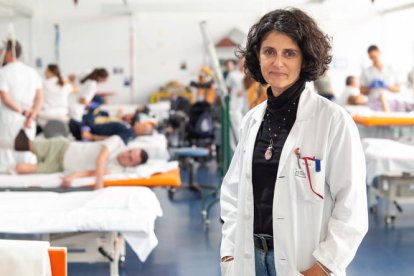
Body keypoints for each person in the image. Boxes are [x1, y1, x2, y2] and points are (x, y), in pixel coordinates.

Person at [220, 8, 368, 276]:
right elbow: (232, 192)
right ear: (257, 56)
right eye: (269, 52)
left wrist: (322, 267)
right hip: (249, 259)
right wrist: (229, 253)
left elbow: (352, 207)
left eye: (289, 53)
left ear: (305, 59)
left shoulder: (333, 121)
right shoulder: (252, 120)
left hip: (304, 263)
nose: (277, 63)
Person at [0, 130, 148, 189]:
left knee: (21, 169)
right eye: (129, 152)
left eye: (130, 159)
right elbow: (101, 158)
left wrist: (74, 175)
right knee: (20, 144)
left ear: (132, 166)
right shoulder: (117, 142)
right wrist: (99, 182)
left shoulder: (117, 171)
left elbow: (91, 172)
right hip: (61, 147)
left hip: (58, 166)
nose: (126, 155)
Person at [0, 40, 43, 169]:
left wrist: (23, 112)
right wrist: (32, 115)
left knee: (7, 153)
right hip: (29, 120)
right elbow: (40, 97)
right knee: (27, 152)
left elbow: (5, 98)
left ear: (8, 52)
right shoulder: (32, 72)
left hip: (10, 118)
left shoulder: (3, 72)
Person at [226, 58, 247, 144]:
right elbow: (228, 88)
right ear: (238, 63)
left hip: (246, 105)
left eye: (244, 62)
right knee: (236, 127)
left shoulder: (249, 75)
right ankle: (236, 148)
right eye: (241, 62)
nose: (242, 64)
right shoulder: (232, 75)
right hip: (235, 106)